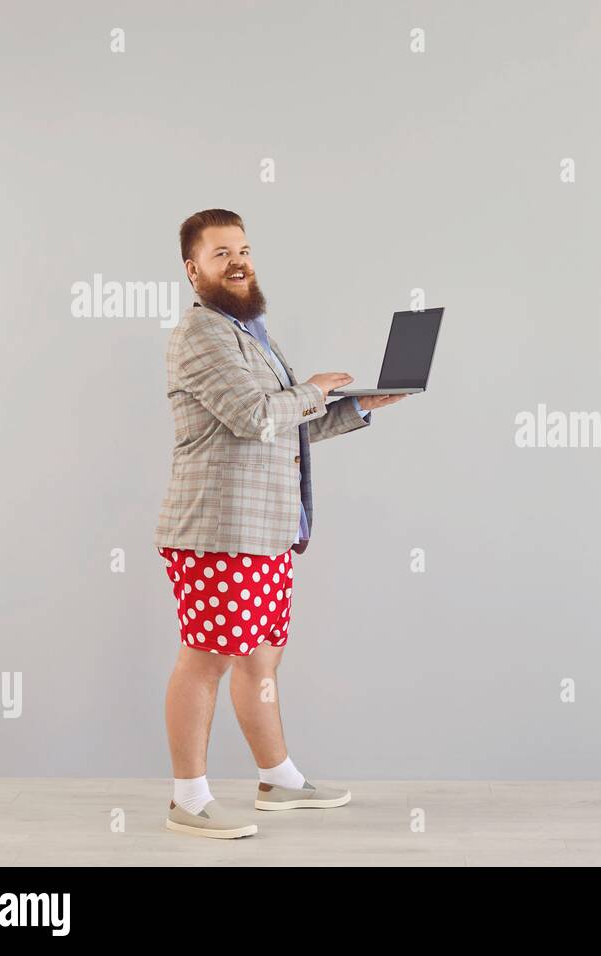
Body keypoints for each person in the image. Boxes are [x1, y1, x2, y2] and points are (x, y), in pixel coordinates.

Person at [154, 208, 407, 839]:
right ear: (194, 270)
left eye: (244, 249)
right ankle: (188, 799)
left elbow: (285, 426)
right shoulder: (201, 335)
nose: (239, 261)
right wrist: (318, 387)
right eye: (221, 253)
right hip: (217, 531)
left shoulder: (251, 333)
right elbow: (251, 415)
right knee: (207, 658)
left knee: (261, 660)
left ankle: (279, 780)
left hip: (264, 531)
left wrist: (359, 406)